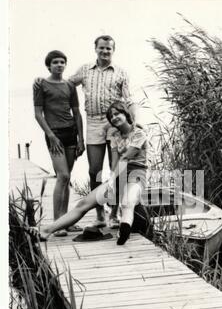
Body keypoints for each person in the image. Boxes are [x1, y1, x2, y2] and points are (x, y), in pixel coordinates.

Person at [34, 101, 148, 245]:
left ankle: (123, 232)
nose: (114, 118)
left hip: (136, 175)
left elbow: (126, 157)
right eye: (111, 116)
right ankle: (46, 230)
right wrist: (113, 180)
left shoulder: (139, 133)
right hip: (119, 175)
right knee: (83, 204)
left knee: (128, 201)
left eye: (117, 113)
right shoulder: (114, 136)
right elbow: (115, 162)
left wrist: (113, 180)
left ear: (125, 113)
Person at [69, 35, 138, 229]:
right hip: (92, 122)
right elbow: (67, 86)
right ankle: (100, 214)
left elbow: (129, 100)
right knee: (94, 171)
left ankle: (114, 214)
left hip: (114, 123)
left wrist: (135, 124)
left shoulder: (121, 72)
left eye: (108, 49)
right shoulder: (85, 70)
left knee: (117, 170)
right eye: (102, 48)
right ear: (95, 48)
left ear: (113, 50)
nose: (105, 51)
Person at [33, 50, 85, 237]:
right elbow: (38, 114)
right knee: (62, 175)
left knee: (67, 177)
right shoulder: (41, 85)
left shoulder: (70, 85)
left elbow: (77, 112)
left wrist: (81, 138)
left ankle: (66, 222)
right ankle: (57, 224)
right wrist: (50, 134)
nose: (59, 65)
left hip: (71, 133)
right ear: (49, 65)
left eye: (62, 62)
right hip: (54, 134)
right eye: (55, 62)